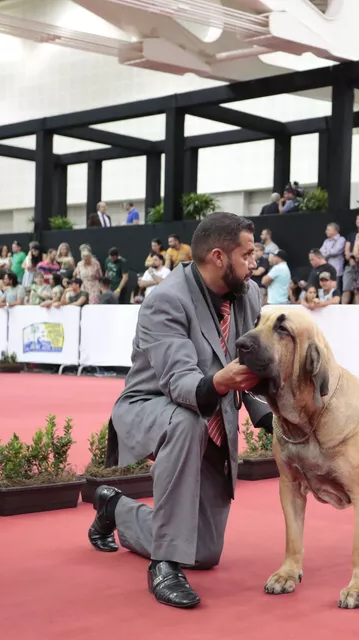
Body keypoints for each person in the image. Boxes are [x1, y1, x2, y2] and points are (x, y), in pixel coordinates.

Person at [87, 212, 273, 610]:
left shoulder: (249, 293)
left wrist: (269, 414)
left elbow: (250, 363)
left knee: (204, 552)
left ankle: (115, 508)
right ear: (220, 257)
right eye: (248, 254)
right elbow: (180, 383)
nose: (255, 262)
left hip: (209, 414)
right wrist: (223, 382)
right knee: (186, 421)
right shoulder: (165, 300)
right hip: (151, 406)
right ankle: (164, 565)